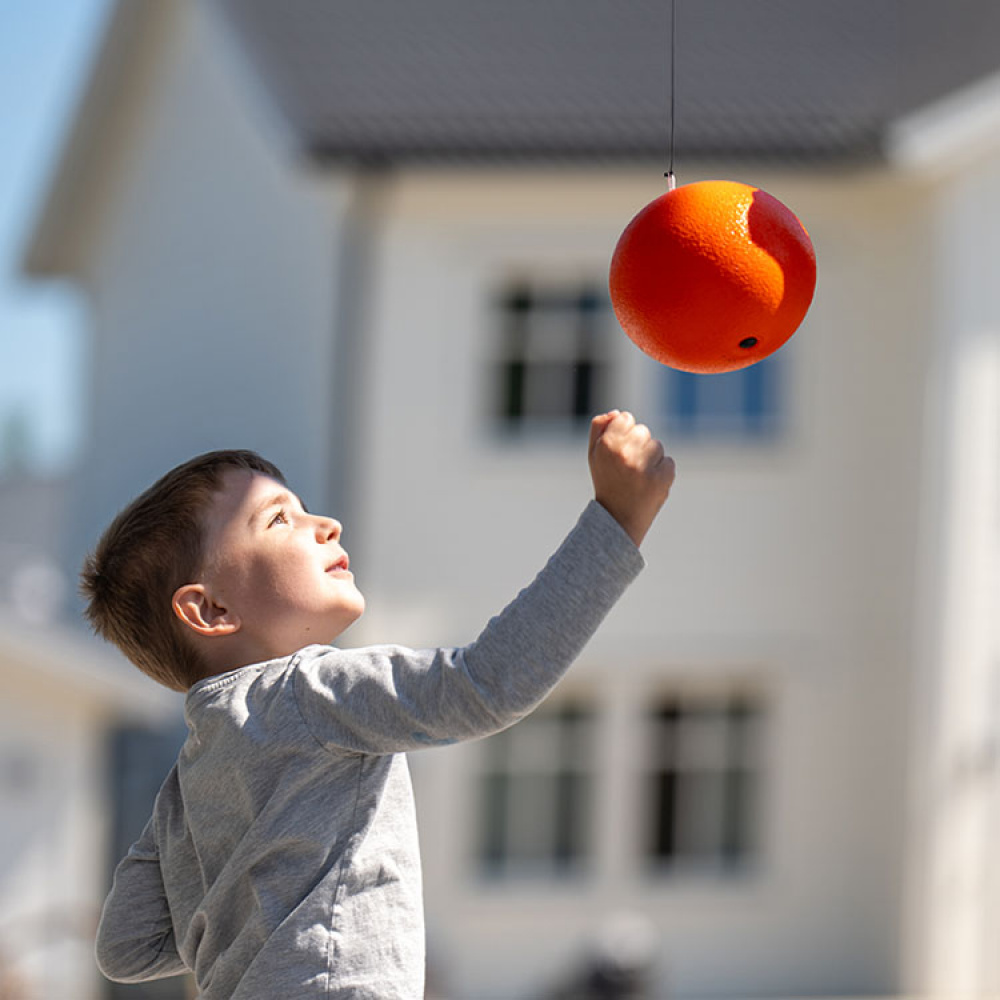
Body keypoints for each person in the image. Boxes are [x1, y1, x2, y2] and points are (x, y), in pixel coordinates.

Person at [83, 410, 675, 1000]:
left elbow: (126, 947)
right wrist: (615, 522)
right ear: (210, 611)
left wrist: (240, 921)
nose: (328, 524)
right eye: (280, 519)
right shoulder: (313, 690)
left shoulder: (192, 781)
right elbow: (488, 685)